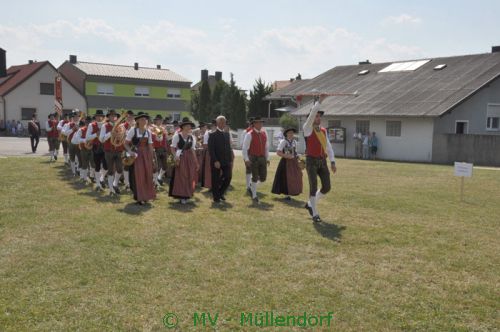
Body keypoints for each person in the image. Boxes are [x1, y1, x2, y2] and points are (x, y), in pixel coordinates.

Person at [303, 97, 337, 223]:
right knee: (313, 187)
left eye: (319, 116)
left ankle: (309, 204)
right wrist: (320, 101)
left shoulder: (323, 130)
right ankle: (315, 214)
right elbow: (311, 115)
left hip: (322, 161)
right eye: (316, 116)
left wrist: (332, 161)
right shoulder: (307, 128)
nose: (318, 118)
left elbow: (328, 146)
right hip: (311, 161)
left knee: (327, 187)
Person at [124, 112, 156, 205]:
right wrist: (130, 152)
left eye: (146, 119)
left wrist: (152, 158)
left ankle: (146, 196)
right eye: (142, 119)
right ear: (137, 121)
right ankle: (139, 197)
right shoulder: (132, 131)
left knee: (146, 175)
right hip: (136, 156)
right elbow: (125, 143)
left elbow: (150, 146)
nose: (145, 121)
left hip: (146, 155)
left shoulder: (148, 132)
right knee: (138, 176)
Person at [169, 117, 199, 204]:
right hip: (180, 158)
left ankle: (187, 194)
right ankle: (181, 195)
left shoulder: (192, 137)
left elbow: (193, 150)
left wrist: (196, 162)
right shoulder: (177, 136)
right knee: (181, 176)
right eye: (187, 126)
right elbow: (172, 148)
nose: (189, 127)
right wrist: (175, 156)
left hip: (189, 158)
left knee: (189, 176)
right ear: (183, 127)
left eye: (190, 126)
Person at [242, 117, 269, 203]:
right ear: (254, 124)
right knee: (254, 177)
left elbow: (266, 147)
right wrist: (246, 159)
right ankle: (254, 195)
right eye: (258, 123)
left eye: (261, 123)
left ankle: (251, 185)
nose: (260, 124)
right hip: (253, 158)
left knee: (263, 178)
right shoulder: (249, 134)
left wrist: (267, 158)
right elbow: (244, 148)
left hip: (262, 158)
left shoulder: (264, 133)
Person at [271, 127, 303, 200]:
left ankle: (293, 192)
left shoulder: (294, 142)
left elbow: (295, 152)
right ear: (286, 134)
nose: (291, 134)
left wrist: (298, 156)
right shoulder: (283, 142)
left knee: (295, 177)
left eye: (292, 133)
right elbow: (278, 152)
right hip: (285, 162)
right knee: (286, 178)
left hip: (293, 162)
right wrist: (286, 156)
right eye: (289, 133)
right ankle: (287, 195)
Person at [208, 115, 233, 203]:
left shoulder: (227, 134)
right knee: (215, 179)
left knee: (228, 177)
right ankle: (216, 198)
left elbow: (228, 148)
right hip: (216, 161)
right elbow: (211, 150)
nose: (223, 123)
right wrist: (215, 161)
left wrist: (230, 160)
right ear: (217, 123)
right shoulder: (212, 135)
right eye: (221, 122)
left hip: (226, 161)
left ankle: (220, 193)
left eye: (224, 122)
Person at [100, 110, 125, 195]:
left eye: (115, 116)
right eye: (111, 115)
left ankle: (115, 183)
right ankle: (111, 189)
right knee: (110, 171)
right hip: (109, 151)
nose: (113, 117)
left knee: (120, 169)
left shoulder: (121, 126)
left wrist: (120, 135)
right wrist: (110, 133)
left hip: (119, 150)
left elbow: (124, 137)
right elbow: (101, 139)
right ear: (108, 117)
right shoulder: (104, 126)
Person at [86, 110, 107, 188]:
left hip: (105, 146)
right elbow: (87, 137)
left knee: (106, 166)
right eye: (97, 116)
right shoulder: (91, 125)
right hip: (96, 146)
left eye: (100, 116)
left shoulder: (105, 124)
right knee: (97, 165)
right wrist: (96, 134)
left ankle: (101, 178)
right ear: (95, 117)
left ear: (103, 117)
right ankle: (98, 183)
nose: (99, 117)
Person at [151, 114, 168, 188]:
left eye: (161, 120)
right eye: (159, 120)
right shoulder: (152, 128)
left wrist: (168, 133)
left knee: (165, 166)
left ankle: (159, 177)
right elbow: (157, 138)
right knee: (156, 166)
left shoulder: (163, 128)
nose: (160, 121)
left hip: (163, 148)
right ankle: (155, 181)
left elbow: (167, 138)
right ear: (156, 121)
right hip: (156, 149)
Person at [63, 111, 81, 177]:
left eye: (77, 117)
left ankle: (78, 169)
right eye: (75, 117)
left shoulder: (81, 123)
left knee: (79, 157)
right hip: (71, 143)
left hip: (79, 143)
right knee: (72, 158)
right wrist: (72, 129)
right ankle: (73, 171)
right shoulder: (69, 124)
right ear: (73, 118)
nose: (76, 118)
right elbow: (65, 133)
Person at [242, 118, 254, 193]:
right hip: (248, 153)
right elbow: (242, 144)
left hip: (256, 154)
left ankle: (251, 184)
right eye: (251, 124)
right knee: (249, 169)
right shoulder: (245, 132)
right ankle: (248, 186)